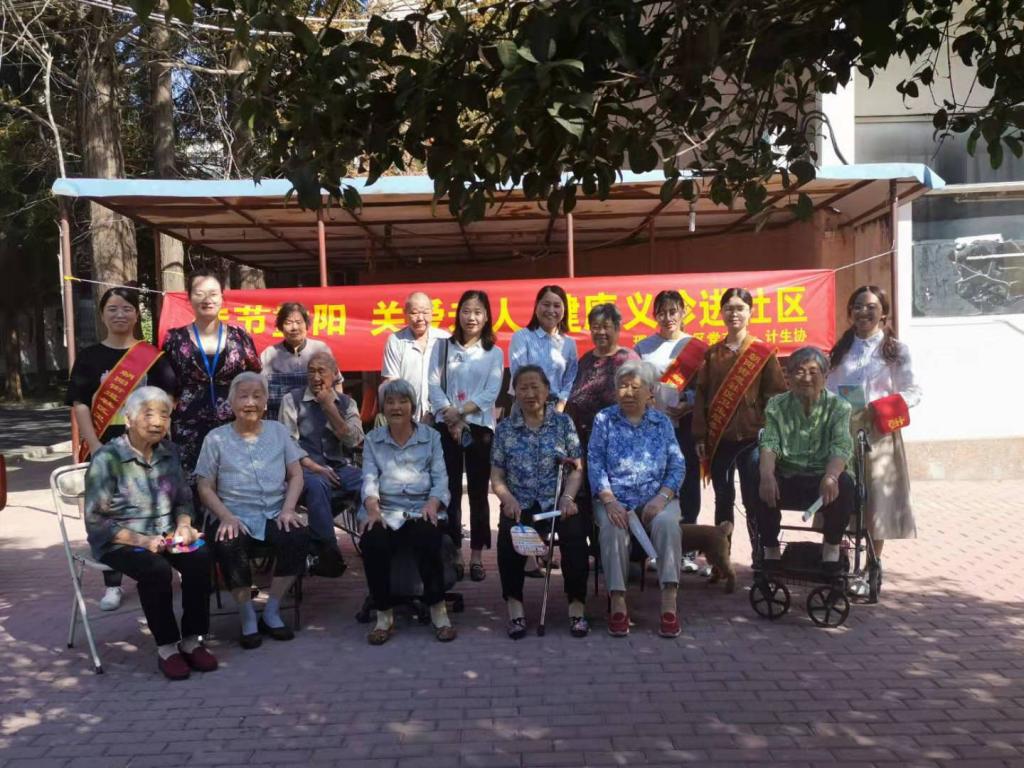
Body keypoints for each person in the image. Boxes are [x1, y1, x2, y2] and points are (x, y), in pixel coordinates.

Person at [84, 386, 217, 680]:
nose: (158, 422)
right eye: (148, 414)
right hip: (120, 539)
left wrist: (184, 526)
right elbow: (96, 521)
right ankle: (167, 647)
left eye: (164, 415)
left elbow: (183, 500)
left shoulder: (170, 452)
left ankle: (192, 640)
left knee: (201, 557)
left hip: (166, 534)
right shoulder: (107, 459)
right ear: (128, 419)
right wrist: (143, 541)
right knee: (156, 569)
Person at [67, 286, 177, 612]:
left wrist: (157, 436)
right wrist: (96, 446)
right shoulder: (89, 357)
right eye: (112, 308)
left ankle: (164, 563)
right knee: (110, 511)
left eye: (127, 308)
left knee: (156, 503)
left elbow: (169, 399)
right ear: (102, 315)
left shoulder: (152, 356)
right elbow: (80, 404)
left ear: (136, 315)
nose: (120, 314)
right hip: (105, 445)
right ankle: (112, 584)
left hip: (149, 447)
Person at [195, 373, 309, 649]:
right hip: (232, 513)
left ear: (266, 401)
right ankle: (247, 616)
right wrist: (225, 516)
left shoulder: (278, 431)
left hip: (274, 511)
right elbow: (204, 486)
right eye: (243, 396)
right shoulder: (216, 438)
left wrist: (288, 509)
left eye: (257, 396)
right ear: (231, 402)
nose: (250, 402)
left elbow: (296, 475)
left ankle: (271, 611)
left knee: (296, 536)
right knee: (229, 542)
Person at [827, 285, 920, 578]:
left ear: (883, 312)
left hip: (880, 432)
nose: (863, 312)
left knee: (877, 499)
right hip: (844, 431)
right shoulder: (841, 349)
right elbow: (828, 389)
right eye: (857, 306)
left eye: (871, 307)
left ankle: (872, 564)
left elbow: (913, 391)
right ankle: (842, 560)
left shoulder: (896, 350)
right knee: (843, 495)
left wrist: (881, 408)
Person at [589, 361, 685, 638]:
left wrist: (662, 497)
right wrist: (609, 500)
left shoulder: (661, 422)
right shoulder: (604, 420)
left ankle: (669, 601)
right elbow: (595, 462)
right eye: (622, 386)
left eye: (635, 386)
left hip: (657, 498)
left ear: (650, 391)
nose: (628, 392)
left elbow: (677, 465)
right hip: (614, 499)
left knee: (667, 525)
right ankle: (618, 601)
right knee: (612, 528)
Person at [491, 365, 588, 639]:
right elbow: (497, 475)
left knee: (575, 536)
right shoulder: (505, 429)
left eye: (536, 387)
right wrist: (507, 498)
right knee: (507, 538)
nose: (530, 393)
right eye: (523, 388)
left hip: (556, 502)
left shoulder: (563, 423)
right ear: (515, 393)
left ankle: (577, 608)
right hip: (520, 502)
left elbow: (577, 468)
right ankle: (515, 608)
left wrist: (568, 497)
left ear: (547, 391)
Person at [359, 379, 456, 645]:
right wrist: (372, 509)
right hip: (385, 509)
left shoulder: (431, 437)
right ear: (383, 408)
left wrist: (432, 504)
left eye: (402, 401)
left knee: (427, 534)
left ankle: (438, 611)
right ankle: (383, 615)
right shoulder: (373, 440)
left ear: (412, 406)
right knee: (372, 539)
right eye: (390, 402)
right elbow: (369, 479)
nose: (396, 407)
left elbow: (441, 480)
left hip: (421, 507)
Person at [692, 288, 787, 560]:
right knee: (723, 499)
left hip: (753, 440)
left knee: (754, 498)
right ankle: (721, 559)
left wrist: (769, 434)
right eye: (729, 308)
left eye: (740, 308)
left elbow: (776, 398)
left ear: (750, 312)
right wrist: (700, 435)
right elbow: (701, 396)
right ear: (721, 313)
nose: (734, 313)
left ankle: (762, 555)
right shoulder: (712, 354)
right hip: (720, 438)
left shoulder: (762, 352)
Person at [753, 347, 855, 572]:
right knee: (757, 476)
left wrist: (831, 476)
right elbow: (770, 443)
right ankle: (770, 549)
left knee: (845, 482)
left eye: (813, 372)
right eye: (799, 371)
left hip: (822, 482)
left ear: (825, 376)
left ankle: (831, 548)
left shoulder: (839, 407)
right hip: (788, 478)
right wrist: (767, 475)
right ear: (788, 377)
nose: (806, 378)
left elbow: (841, 446)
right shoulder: (777, 405)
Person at [427, 289, 504, 582]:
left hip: (479, 429)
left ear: (486, 317)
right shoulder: (442, 347)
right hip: (446, 427)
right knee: (449, 492)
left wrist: (460, 413)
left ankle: (477, 556)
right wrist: (450, 416)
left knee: (479, 493)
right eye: (467, 311)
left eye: (478, 312)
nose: (471, 317)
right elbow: (433, 385)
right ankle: (455, 553)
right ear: (458, 313)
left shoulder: (493, 352)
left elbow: (490, 392)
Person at [161, 270, 261, 478]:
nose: (207, 299)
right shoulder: (175, 339)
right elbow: (166, 386)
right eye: (199, 293)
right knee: (192, 482)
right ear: (189, 297)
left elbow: (255, 377)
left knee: (234, 480)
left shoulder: (239, 336)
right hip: (188, 424)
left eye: (213, 294)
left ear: (222, 297)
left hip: (235, 422)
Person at [634, 290, 704, 574]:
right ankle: (654, 549)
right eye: (661, 312)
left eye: (673, 311)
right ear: (655, 315)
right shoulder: (643, 347)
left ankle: (687, 550)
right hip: (652, 427)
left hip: (684, 425)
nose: (667, 317)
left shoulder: (697, 348)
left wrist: (689, 403)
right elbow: (636, 383)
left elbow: (706, 389)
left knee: (688, 484)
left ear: (683, 312)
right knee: (653, 485)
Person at [279, 350, 364, 575]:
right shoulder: (291, 400)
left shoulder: (348, 403)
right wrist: (315, 467)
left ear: (335, 374)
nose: (316, 377)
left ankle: (371, 537)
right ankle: (326, 552)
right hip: (304, 469)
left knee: (369, 481)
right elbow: (288, 445)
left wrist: (329, 407)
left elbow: (354, 440)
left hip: (339, 468)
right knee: (318, 484)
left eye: (321, 371)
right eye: (311, 371)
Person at [381, 291, 450, 423]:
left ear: (432, 313)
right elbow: (392, 382)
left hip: (442, 417)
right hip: (407, 418)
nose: (420, 318)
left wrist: (434, 411)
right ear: (405, 314)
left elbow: (452, 382)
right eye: (414, 313)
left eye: (425, 312)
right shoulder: (395, 340)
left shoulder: (445, 339)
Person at [509, 285, 578, 411]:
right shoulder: (521, 337)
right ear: (537, 307)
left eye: (556, 306)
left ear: (564, 310)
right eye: (546, 305)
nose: (551, 310)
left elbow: (569, 380)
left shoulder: (569, 343)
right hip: (526, 406)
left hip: (556, 409)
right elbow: (520, 376)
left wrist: (560, 406)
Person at [260, 302, 334, 419]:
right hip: (278, 419)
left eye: (299, 322)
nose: (294, 327)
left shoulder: (321, 349)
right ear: (280, 327)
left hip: (316, 419)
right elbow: (260, 391)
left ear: (306, 325)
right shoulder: (269, 354)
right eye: (288, 323)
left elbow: (336, 383)